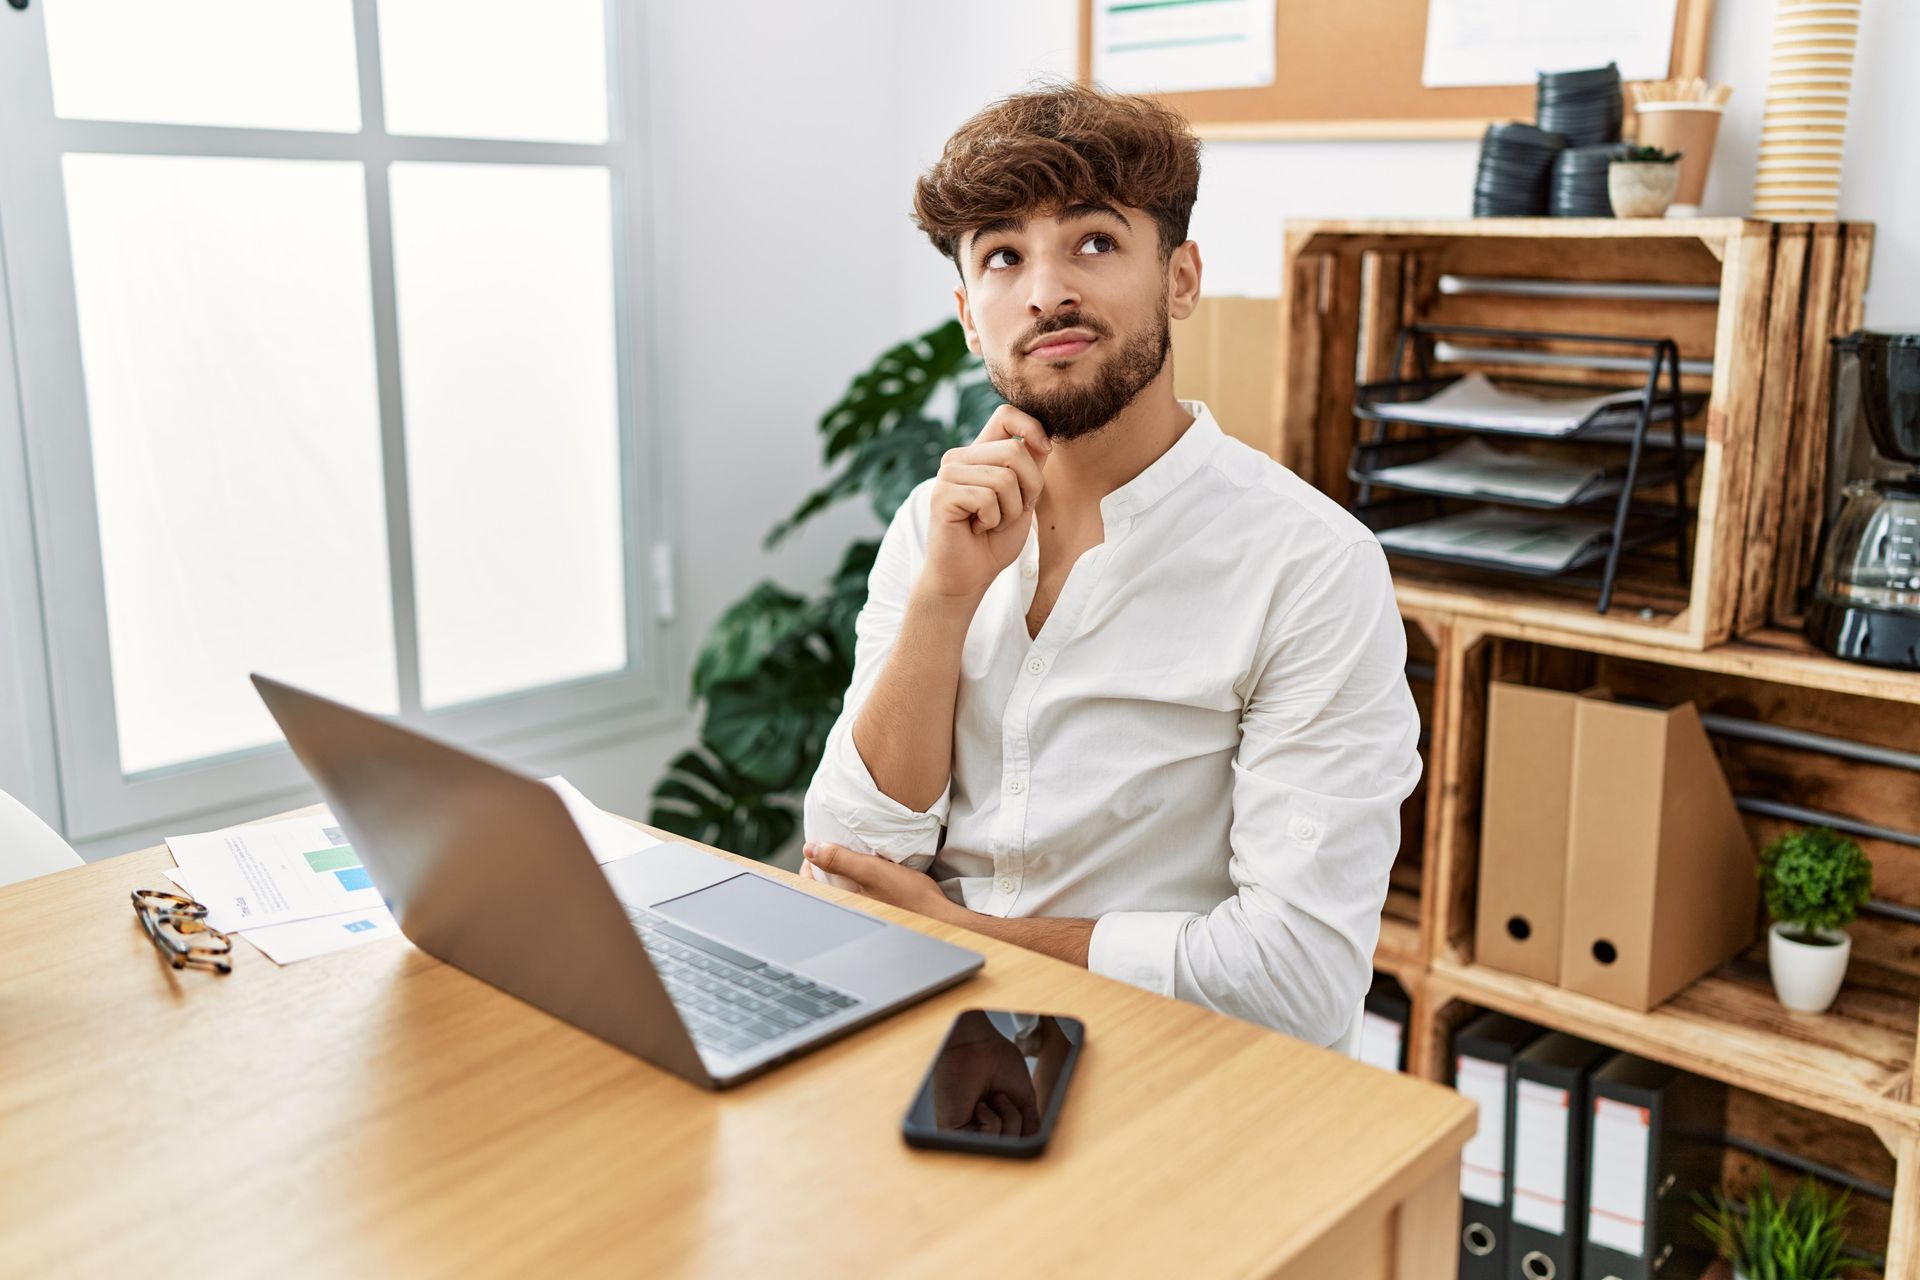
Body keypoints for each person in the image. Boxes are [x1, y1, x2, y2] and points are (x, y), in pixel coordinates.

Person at [799, 82, 1419, 1047]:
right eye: (1004, 256)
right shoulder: (934, 527)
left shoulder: (1312, 566)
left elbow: (1298, 980)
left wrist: (968, 937)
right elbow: (845, 863)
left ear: (1180, 279)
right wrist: (944, 600)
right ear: (970, 315)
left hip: (1172, 1079)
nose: (1047, 290)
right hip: (925, 1044)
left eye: (1093, 241)